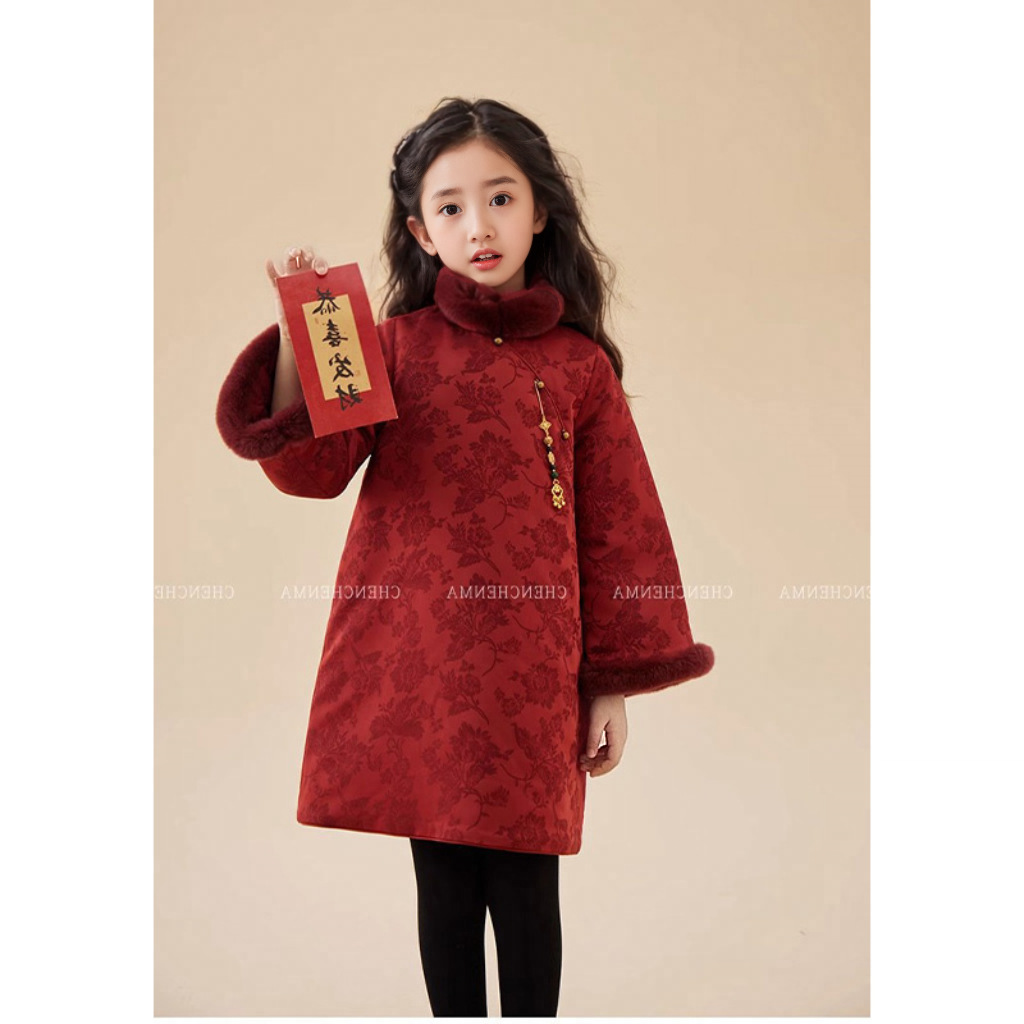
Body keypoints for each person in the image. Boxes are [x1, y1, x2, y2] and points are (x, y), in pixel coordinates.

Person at [215, 96, 715, 1018]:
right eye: (450, 207)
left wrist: (610, 684)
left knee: (527, 889)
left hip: (535, 676)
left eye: (500, 198)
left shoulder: (578, 368)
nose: (478, 226)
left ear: (541, 210)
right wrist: (298, 328)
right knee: (442, 883)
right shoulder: (391, 348)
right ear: (420, 230)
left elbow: (623, 528)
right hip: (420, 666)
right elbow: (312, 470)